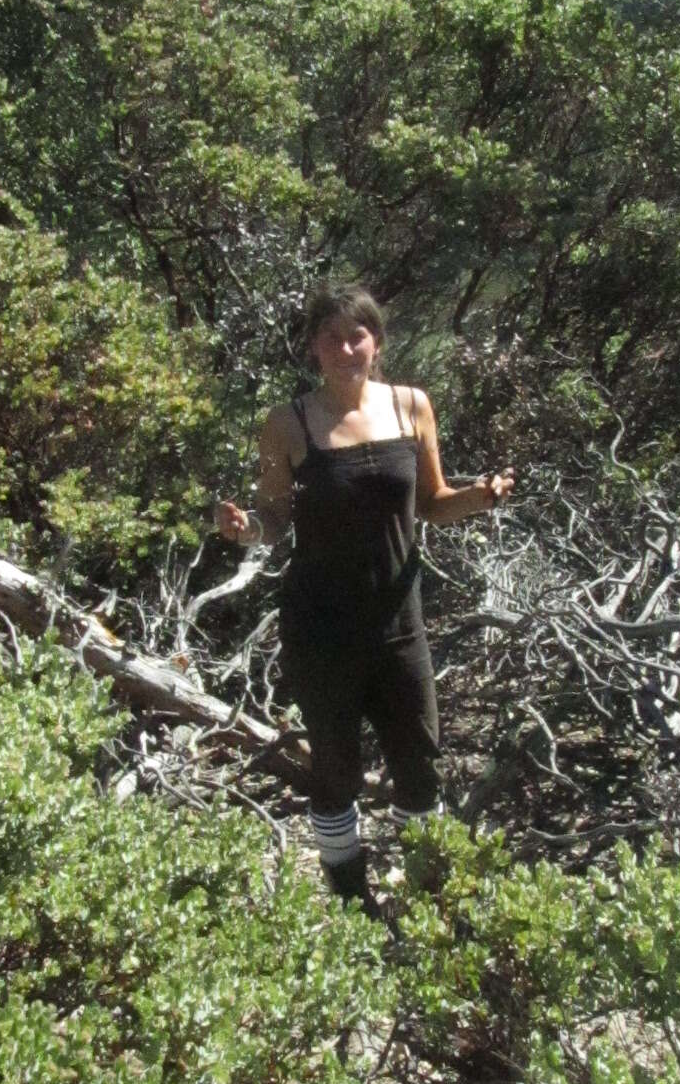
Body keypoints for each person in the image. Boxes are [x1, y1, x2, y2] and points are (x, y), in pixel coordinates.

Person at [214, 283, 514, 909]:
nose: (346, 348)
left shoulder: (411, 407)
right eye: (331, 337)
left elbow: (431, 504)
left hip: (399, 622)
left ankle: (429, 897)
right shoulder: (288, 423)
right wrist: (248, 529)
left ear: (376, 342)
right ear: (313, 348)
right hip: (322, 629)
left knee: (419, 765)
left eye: (358, 335)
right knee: (335, 770)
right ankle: (353, 904)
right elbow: (274, 515)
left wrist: (479, 496)